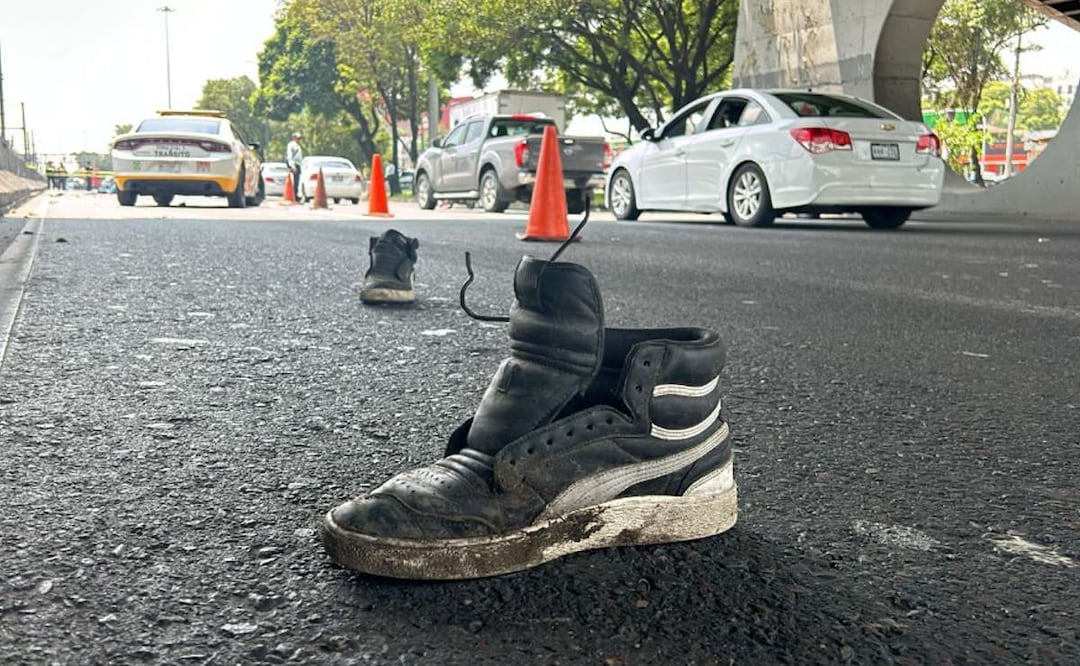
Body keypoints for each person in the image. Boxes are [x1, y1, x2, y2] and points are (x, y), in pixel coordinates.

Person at [285, 132, 303, 201]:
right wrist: (292, 166)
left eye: (300, 138)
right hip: (293, 164)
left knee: (297, 181)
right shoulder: (291, 145)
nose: (299, 140)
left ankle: (295, 195)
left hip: (297, 164)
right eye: (297, 138)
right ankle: (292, 196)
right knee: (293, 181)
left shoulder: (298, 146)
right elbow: (290, 156)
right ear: (294, 138)